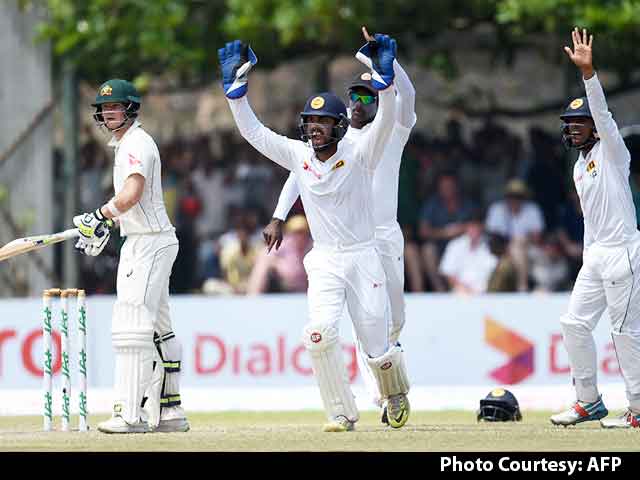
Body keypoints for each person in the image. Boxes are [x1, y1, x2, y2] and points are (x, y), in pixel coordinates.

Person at [219, 34, 410, 432]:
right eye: (310, 122)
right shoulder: (300, 156)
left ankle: (393, 392)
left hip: (364, 256)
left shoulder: (361, 154)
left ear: (339, 126)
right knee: (319, 334)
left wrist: (388, 83)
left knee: (377, 345)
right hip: (324, 259)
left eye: (324, 122)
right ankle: (341, 412)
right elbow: (256, 134)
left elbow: (387, 122)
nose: (316, 128)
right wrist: (236, 97)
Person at [73, 79, 189, 433]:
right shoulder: (129, 143)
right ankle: (170, 412)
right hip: (147, 239)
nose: (109, 113)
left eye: (115, 107)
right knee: (159, 329)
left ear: (130, 109)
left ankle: (130, 414)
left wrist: (100, 215)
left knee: (131, 325)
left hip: (150, 242)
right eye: (105, 108)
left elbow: (132, 193)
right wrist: (109, 223)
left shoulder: (136, 144)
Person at [550, 29, 640, 429]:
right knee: (574, 324)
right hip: (597, 255)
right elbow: (592, 219)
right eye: (568, 123)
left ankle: (638, 409)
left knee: (624, 332)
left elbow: (603, 114)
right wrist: (589, 256)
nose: (572, 129)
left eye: (578, 123)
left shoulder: (612, 151)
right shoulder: (577, 166)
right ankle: (588, 402)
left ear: (594, 127)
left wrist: (589, 74)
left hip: (624, 252)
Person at [486, 178, 545, 291]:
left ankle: (522, 287)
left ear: (524, 197)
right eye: (511, 196)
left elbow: (537, 238)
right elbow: (493, 238)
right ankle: (522, 287)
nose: (514, 200)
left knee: (518, 247)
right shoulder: (497, 210)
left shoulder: (532, 210)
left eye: (518, 196)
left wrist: (520, 241)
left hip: (527, 249)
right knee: (515, 250)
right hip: (500, 251)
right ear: (506, 196)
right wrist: (510, 245)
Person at [418, 172, 473, 292]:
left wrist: (461, 229)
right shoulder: (432, 204)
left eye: (450, 186)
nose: (447, 190)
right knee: (428, 250)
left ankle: (464, 289)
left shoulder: (467, 204)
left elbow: (476, 223)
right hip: (439, 247)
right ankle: (440, 290)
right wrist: (445, 233)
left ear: (456, 187)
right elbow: (423, 231)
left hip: (462, 246)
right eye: (444, 187)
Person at [248, 214, 311, 294]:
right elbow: (265, 254)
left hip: (305, 290)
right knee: (263, 263)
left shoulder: (311, 246)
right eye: (296, 232)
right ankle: (253, 297)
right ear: (289, 233)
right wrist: (278, 264)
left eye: (302, 232)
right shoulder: (284, 244)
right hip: (283, 286)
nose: (299, 236)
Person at [439, 210, 497, 294]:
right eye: (471, 226)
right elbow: (448, 273)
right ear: (465, 227)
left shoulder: (491, 245)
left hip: (487, 293)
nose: (473, 229)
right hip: (461, 293)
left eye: (476, 226)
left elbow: (496, 272)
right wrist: (465, 289)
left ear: (482, 226)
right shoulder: (455, 245)